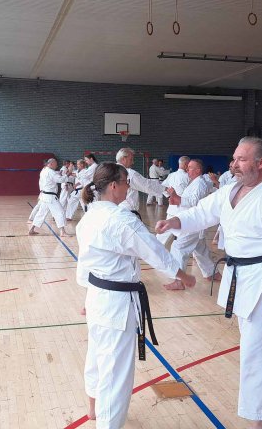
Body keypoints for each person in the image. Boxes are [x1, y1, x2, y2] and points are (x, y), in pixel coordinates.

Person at [156, 136, 262, 429]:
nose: (234, 164)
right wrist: (176, 222)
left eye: (241, 159)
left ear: (260, 163)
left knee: (256, 352)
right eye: (234, 158)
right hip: (240, 277)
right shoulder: (231, 190)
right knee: (259, 340)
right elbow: (202, 212)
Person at [76, 162, 196, 428]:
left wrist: (86, 295)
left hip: (96, 296)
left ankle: (93, 408)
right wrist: (183, 275)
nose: (129, 187)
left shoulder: (89, 217)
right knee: (115, 371)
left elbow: (84, 263)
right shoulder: (121, 219)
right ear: (114, 186)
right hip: (116, 303)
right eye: (126, 182)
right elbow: (155, 251)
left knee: (96, 355)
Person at [163, 159, 220, 290]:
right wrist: (175, 200)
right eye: (187, 167)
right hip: (193, 222)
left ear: (198, 170)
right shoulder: (194, 182)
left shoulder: (200, 183)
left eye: (190, 167)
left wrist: (177, 197)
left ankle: (179, 281)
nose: (187, 169)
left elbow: (195, 202)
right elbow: (187, 200)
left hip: (193, 223)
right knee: (200, 249)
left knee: (178, 248)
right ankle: (212, 273)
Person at [116, 148, 166, 217]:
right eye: (131, 159)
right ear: (124, 159)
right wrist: (165, 189)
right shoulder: (129, 173)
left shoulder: (111, 170)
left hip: (114, 209)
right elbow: (146, 185)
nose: (133, 162)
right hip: (127, 211)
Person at [29, 158, 71, 237]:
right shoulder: (50, 172)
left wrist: (60, 173)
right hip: (50, 197)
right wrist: (68, 173)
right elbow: (60, 180)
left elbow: (54, 175)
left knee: (41, 213)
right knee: (60, 212)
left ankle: (32, 229)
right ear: (51, 164)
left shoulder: (44, 171)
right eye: (56, 164)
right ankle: (62, 232)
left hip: (44, 196)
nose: (57, 166)